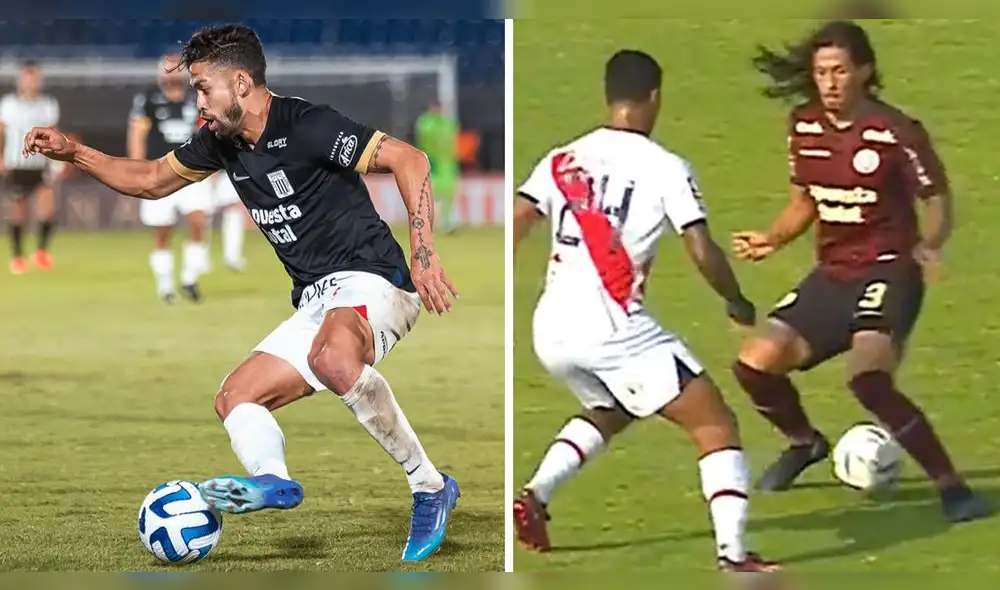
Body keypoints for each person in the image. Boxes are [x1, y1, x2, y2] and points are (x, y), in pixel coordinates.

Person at [24, 24, 461, 562]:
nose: (198, 101)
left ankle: (429, 487)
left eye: (204, 88)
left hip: (376, 279)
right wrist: (74, 153)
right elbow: (151, 180)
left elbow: (410, 160)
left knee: (331, 357)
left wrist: (424, 254)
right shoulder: (220, 141)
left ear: (241, 82)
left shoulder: (307, 125)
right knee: (235, 397)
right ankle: (273, 481)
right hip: (318, 299)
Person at [512, 49, 778, 573]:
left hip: (552, 329)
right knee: (714, 423)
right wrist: (736, 300)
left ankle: (534, 498)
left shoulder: (563, 158)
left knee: (615, 407)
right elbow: (701, 249)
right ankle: (734, 554)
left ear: (609, 96)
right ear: (654, 97)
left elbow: (519, 219)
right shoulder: (666, 168)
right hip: (611, 327)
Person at [730, 20, 990, 523]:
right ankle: (803, 443)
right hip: (832, 274)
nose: (828, 82)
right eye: (821, 72)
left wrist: (930, 244)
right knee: (753, 364)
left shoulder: (896, 131)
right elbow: (804, 200)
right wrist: (773, 237)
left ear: (864, 72)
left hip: (891, 270)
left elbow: (935, 198)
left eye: (839, 71)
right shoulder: (803, 126)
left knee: (867, 378)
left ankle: (954, 489)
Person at [128, 54, 211, 303]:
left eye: (176, 71)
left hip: (191, 169)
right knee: (163, 231)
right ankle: (165, 286)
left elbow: (207, 128)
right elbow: (137, 135)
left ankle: (189, 278)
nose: (172, 76)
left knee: (198, 221)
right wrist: (137, 169)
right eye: (167, 71)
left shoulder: (194, 97)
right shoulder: (148, 100)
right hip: (159, 171)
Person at [0, 61, 60, 274]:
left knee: (48, 208)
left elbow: (53, 133)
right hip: (16, 163)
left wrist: (56, 160)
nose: (32, 82)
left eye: (35, 78)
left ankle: (42, 252)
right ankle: (17, 256)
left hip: (40, 163)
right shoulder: (8, 104)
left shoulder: (48, 104)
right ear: (20, 81)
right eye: (28, 78)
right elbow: (1, 132)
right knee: (18, 210)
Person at [414, 101, 459, 233]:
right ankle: (432, 223)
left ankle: (448, 223)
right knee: (432, 195)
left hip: (448, 165)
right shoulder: (425, 124)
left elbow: (452, 143)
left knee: (448, 194)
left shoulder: (447, 123)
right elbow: (425, 142)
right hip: (432, 164)